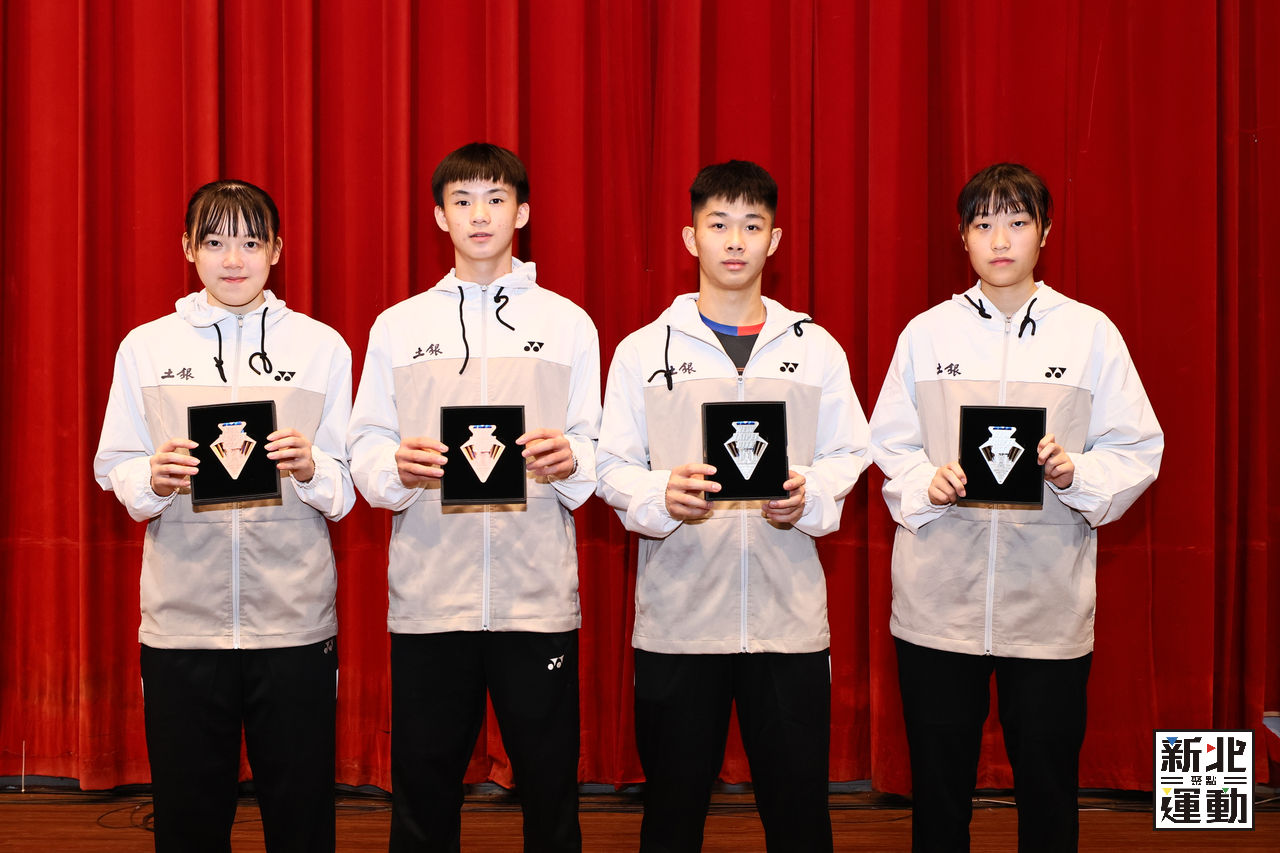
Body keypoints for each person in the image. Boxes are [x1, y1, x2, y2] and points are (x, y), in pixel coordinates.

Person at [868, 162, 1164, 852]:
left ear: (1045, 232)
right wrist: (926, 482)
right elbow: (888, 444)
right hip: (939, 604)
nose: (1000, 240)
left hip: (1047, 606)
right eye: (983, 224)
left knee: (1049, 790)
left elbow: (1137, 448)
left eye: (1017, 221)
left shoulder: (1090, 334)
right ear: (963, 238)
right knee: (938, 794)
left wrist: (1076, 472)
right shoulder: (926, 335)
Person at [596, 160, 869, 852]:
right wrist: (661, 494)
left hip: (788, 624)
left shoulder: (815, 349)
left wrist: (809, 493)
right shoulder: (642, 351)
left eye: (752, 225)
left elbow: (851, 453)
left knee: (799, 815)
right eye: (719, 225)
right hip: (679, 622)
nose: (736, 240)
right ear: (691, 238)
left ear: (774, 240)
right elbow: (610, 466)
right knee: (672, 815)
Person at [347, 142, 599, 852]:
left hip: (536, 596)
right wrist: (396, 466)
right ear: (439, 216)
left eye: (495, 199)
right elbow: (365, 445)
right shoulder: (399, 326)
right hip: (431, 595)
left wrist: (572, 458)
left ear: (523, 212)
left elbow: (598, 446)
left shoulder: (568, 323)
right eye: (462, 201)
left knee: (550, 788)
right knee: (423, 791)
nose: (479, 215)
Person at [93, 179, 354, 852]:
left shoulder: (321, 346)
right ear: (187, 248)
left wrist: (311, 468)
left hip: (294, 622)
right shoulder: (145, 346)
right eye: (214, 241)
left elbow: (348, 485)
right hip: (182, 623)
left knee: (301, 818)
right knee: (188, 819)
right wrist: (151, 478)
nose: (233, 259)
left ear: (277, 250)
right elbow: (114, 464)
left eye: (250, 242)